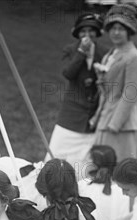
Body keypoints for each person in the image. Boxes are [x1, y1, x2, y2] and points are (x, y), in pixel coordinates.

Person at [48, 12, 107, 166]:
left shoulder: (105, 53)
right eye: (83, 31)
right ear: (77, 33)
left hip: (92, 116)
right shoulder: (70, 50)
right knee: (56, 155)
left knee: (83, 163)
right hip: (71, 114)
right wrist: (81, 53)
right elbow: (68, 73)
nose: (87, 35)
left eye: (91, 31)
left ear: (98, 32)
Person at [92, 4, 137, 161]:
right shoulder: (109, 55)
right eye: (113, 28)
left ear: (129, 31)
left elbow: (131, 93)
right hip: (104, 119)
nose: (116, 33)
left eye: (121, 29)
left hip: (120, 125)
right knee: (101, 168)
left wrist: (115, 124)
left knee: (118, 169)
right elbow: (105, 92)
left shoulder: (133, 56)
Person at [77, 145, 130, 220]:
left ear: (93, 165)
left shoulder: (82, 186)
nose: (83, 162)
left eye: (86, 160)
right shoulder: (126, 190)